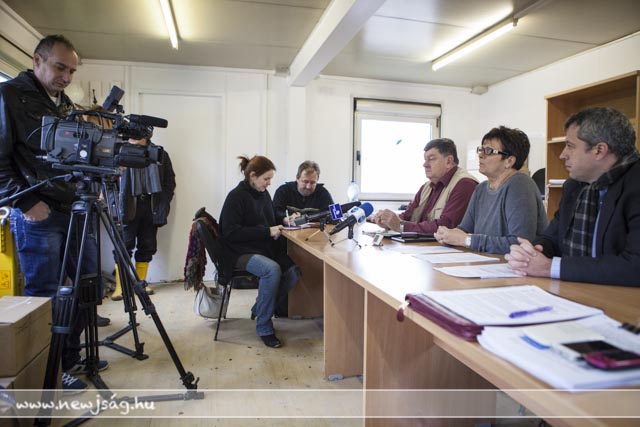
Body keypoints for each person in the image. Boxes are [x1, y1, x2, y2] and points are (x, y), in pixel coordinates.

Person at [0, 35, 106, 393]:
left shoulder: (64, 105)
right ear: (37, 61)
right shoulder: (9, 97)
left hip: (74, 209)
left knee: (85, 285)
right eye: (60, 67)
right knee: (46, 293)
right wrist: (25, 202)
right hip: (38, 213)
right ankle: (50, 371)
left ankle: (70, 358)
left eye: (72, 71)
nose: (66, 77)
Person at [506, 107, 639, 286]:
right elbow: (552, 239)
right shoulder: (574, 186)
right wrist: (532, 252)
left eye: (570, 146)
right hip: (576, 289)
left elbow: (635, 265)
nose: (562, 155)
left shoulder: (635, 184)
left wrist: (549, 268)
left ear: (599, 150)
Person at [219, 155, 300, 348]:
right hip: (237, 252)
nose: (269, 183)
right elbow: (230, 233)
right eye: (266, 179)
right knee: (271, 270)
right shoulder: (236, 197)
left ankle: (259, 308)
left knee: (294, 272)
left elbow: (269, 217)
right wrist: (266, 231)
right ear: (253, 176)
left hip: (260, 248)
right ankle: (264, 326)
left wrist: (284, 220)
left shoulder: (263, 193)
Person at [435, 126, 548, 254]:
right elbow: (464, 230)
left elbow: (519, 243)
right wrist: (448, 235)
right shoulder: (481, 189)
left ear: (509, 161)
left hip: (515, 265)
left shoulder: (520, 185)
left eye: (488, 151)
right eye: (481, 149)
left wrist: (467, 240)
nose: (481, 155)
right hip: (487, 261)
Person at [111, 138, 176, 300]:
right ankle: (120, 286)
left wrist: (164, 200)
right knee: (123, 245)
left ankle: (141, 283)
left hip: (151, 205)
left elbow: (169, 180)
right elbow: (108, 180)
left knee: (147, 245)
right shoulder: (119, 151)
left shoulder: (159, 153)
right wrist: (115, 202)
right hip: (127, 204)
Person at [374, 138, 478, 234]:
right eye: (425, 160)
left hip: (444, 247)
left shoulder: (464, 185)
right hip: (424, 246)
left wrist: (401, 226)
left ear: (449, 161)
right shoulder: (426, 187)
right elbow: (407, 216)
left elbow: (446, 227)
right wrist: (388, 222)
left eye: (431, 159)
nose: (425, 164)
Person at [273, 160, 334, 225]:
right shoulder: (283, 191)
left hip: (314, 231)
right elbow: (274, 214)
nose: (308, 187)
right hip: (287, 230)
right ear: (297, 178)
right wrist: (284, 219)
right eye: (305, 182)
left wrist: (306, 219)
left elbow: (335, 217)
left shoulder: (323, 193)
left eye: (313, 182)